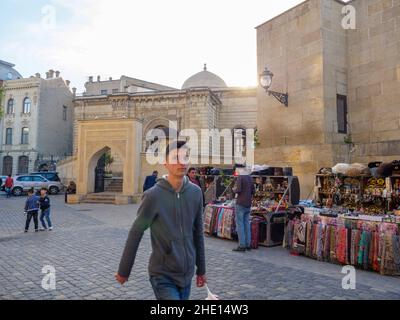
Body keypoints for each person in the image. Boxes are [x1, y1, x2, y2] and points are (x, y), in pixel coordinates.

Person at [115, 141, 206, 300]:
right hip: (162, 274)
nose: (181, 162)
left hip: (187, 274)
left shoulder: (196, 192)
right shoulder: (153, 195)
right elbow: (136, 232)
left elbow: (198, 233)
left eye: (185, 157)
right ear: (165, 163)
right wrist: (124, 270)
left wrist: (201, 270)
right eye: (175, 158)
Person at [232, 165, 255, 252]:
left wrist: (233, 189)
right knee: (246, 224)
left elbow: (238, 190)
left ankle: (242, 245)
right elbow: (253, 191)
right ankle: (248, 244)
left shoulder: (240, 177)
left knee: (240, 225)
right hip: (248, 204)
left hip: (241, 203)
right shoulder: (250, 177)